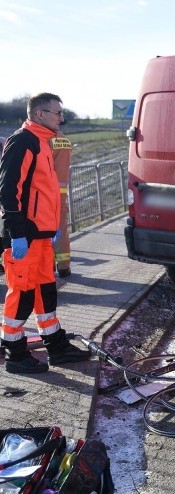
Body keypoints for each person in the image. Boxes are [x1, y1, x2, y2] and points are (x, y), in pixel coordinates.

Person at [0, 93, 91, 374]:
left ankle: (56, 345)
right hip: (24, 237)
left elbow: (42, 192)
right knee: (23, 293)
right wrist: (17, 233)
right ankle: (15, 354)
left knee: (45, 291)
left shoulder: (42, 142)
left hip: (39, 235)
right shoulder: (23, 141)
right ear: (39, 114)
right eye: (57, 113)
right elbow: (7, 190)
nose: (61, 118)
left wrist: (50, 229)